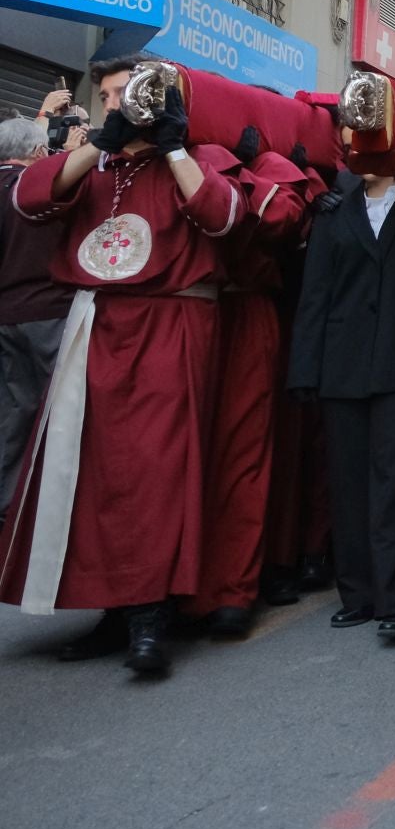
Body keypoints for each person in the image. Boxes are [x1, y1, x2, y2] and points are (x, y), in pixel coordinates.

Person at [3, 59, 244, 673]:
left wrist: (175, 148)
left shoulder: (195, 158)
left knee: (157, 469)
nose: (119, 105)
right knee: (94, 470)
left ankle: (150, 613)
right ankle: (110, 608)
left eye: (130, 94)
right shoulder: (95, 165)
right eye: (108, 96)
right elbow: (31, 197)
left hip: (169, 326)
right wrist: (97, 148)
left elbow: (221, 215)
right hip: (99, 325)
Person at [287, 161, 395, 642]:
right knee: (349, 480)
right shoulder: (333, 212)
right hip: (343, 363)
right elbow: (314, 294)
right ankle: (357, 594)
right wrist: (304, 369)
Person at [185, 127, 311, 637]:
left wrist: (240, 169)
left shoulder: (273, 170)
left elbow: (283, 218)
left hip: (245, 315)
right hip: (188, 315)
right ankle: (166, 589)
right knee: (177, 457)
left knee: (242, 455)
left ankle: (231, 588)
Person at [0, 115, 69, 522]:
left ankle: (7, 507)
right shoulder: (42, 190)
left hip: (5, 316)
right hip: (48, 312)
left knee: (12, 412)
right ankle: (49, 511)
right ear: (39, 152)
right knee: (59, 413)